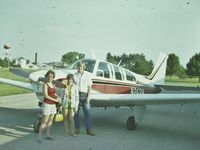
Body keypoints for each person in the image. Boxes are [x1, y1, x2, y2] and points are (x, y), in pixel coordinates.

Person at [37, 70, 61, 143]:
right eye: (49, 76)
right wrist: (56, 100)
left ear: (53, 77)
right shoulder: (45, 85)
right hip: (47, 104)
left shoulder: (53, 85)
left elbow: (55, 93)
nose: (50, 77)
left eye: (52, 76)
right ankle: (39, 136)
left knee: (50, 121)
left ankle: (48, 135)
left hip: (53, 105)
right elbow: (46, 96)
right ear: (47, 76)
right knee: (44, 121)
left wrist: (58, 97)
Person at [73, 63, 95, 136]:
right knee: (76, 113)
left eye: (81, 67)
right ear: (77, 67)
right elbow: (72, 85)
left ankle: (89, 130)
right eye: (79, 67)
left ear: (84, 67)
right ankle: (77, 129)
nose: (80, 68)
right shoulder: (74, 75)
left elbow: (89, 87)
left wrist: (88, 97)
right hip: (76, 95)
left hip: (84, 95)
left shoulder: (87, 75)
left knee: (87, 113)